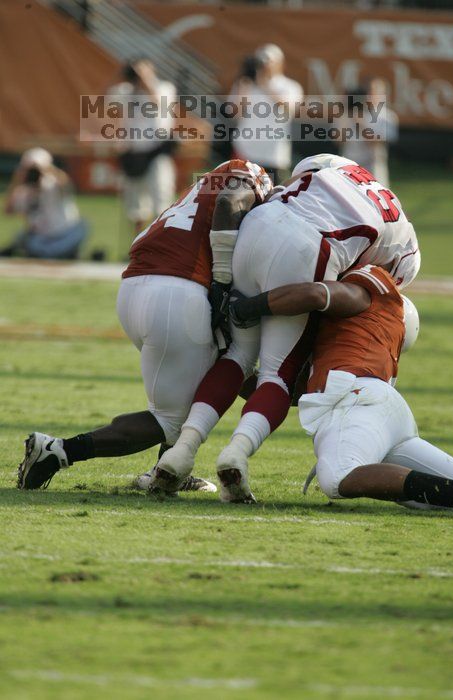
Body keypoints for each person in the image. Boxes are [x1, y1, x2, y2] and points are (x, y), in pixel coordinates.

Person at [150, 153, 421, 501]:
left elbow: (294, 183)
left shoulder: (337, 165)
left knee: (237, 353)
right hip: (310, 246)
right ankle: (238, 452)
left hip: (258, 224)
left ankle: (181, 450)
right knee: (278, 372)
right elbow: (360, 289)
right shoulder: (406, 247)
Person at [17, 159, 272, 492]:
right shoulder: (250, 176)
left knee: (195, 387)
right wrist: (222, 279)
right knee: (168, 421)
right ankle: (58, 451)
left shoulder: (195, 193)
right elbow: (230, 201)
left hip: (137, 288)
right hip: (178, 294)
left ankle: (168, 471)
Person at [225, 265, 453, 510]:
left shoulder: (367, 297)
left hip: (357, 400)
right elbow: (285, 391)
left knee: (337, 476)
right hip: (386, 414)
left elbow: (316, 295)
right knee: (443, 495)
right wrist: (232, 374)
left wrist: (243, 309)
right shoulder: (360, 341)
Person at [110, 58, 177, 234]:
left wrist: (146, 79)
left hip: (157, 149)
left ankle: (162, 242)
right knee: (135, 204)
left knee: (161, 196)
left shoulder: (165, 88)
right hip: (134, 151)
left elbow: (158, 103)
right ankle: (138, 245)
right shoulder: (126, 91)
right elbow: (108, 100)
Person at [228, 44, 303, 183]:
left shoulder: (289, 86)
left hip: (273, 154)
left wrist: (265, 85)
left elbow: (289, 108)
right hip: (245, 150)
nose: (265, 65)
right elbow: (234, 114)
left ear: (280, 63)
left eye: (269, 61)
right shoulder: (246, 84)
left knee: (271, 197)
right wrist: (243, 90)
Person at [1, 148, 87, 259]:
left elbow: (66, 184)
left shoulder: (53, 185)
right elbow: (7, 211)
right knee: (24, 237)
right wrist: (17, 179)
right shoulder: (23, 191)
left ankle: (59, 253)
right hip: (41, 238)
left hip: (65, 233)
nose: (34, 173)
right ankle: (58, 254)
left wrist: (46, 169)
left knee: (82, 227)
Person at [340, 78, 399, 187]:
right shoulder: (352, 112)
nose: (369, 96)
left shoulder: (387, 117)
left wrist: (359, 123)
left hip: (373, 166)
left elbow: (375, 142)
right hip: (350, 164)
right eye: (367, 92)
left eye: (374, 92)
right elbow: (338, 140)